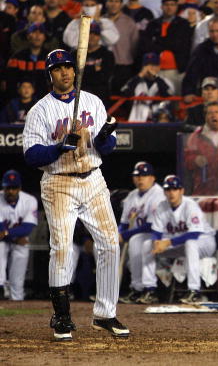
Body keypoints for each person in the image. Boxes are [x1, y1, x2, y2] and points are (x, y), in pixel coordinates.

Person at [22, 49, 127, 341]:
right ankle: (62, 316)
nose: (65, 72)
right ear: (50, 75)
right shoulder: (40, 110)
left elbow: (107, 148)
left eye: (69, 67)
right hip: (59, 183)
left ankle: (105, 315)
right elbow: (31, 155)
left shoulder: (93, 102)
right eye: (58, 69)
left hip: (93, 179)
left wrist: (104, 137)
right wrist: (58, 147)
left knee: (109, 244)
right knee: (63, 248)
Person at [149, 175, 216, 304]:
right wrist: (156, 242)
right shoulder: (162, 206)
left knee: (191, 244)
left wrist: (168, 242)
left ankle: (194, 291)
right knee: (147, 244)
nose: (171, 193)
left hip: (205, 242)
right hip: (181, 244)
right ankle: (148, 289)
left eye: (175, 189)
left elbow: (195, 233)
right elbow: (156, 231)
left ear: (181, 191)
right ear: (164, 192)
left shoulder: (190, 205)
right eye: (168, 190)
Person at [118, 162, 166, 305]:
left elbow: (151, 225)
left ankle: (149, 290)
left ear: (152, 178)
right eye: (137, 176)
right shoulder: (132, 196)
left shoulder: (159, 194)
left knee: (139, 241)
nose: (140, 179)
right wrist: (119, 233)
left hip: (161, 234)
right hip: (140, 234)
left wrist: (125, 235)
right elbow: (124, 223)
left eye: (144, 175)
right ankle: (136, 289)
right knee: (127, 241)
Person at [138, 0, 192, 95]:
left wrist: (159, 42)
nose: (169, 7)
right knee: (155, 100)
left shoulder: (183, 24)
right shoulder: (153, 24)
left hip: (176, 70)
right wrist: (168, 42)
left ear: (176, 7)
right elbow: (147, 45)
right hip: (155, 70)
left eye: (172, 4)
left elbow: (181, 46)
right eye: (166, 5)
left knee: (175, 100)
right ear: (161, 7)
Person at [0, 170, 38, 301]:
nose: (10, 191)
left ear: (19, 188)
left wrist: (6, 233)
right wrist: (13, 236)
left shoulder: (29, 200)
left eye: (14, 187)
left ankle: (16, 300)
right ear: (3, 187)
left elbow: (27, 228)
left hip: (19, 242)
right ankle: (1, 287)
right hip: (5, 242)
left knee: (17, 282)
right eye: (8, 187)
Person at [182, 17, 218, 103]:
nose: (215, 35)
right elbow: (191, 72)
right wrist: (188, 92)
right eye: (212, 31)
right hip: (209, 93)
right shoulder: (201, 49)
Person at [184, 101, 218, 196]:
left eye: (217, 112)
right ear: (205, 117)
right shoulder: (196, 136)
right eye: (210, 113)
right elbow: (186, 159)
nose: (213, 115)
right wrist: (195, 160)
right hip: (203, 187)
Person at [121, 52, 173, 122]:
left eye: (153, 65)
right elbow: (124, 93)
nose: (149, 68)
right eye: (147, 65)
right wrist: (139, 76)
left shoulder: (165, 81)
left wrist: (156, 77)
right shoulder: (135, 81)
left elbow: (169, 95)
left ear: (159, 67)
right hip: (138, 119)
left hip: (158, 118)